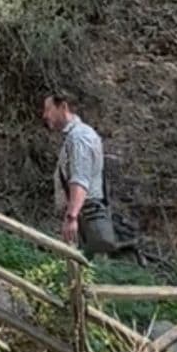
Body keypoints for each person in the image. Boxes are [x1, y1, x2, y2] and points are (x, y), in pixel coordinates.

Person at [42, 92, 116, 254]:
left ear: (63, 107)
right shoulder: (78, 136)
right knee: (78, 267)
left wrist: (72, 217)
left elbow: (80, 180)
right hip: (83, 213)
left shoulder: (79, 137)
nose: (45, 115)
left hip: (85, 215)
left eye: (48, 109)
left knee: (78, 265)